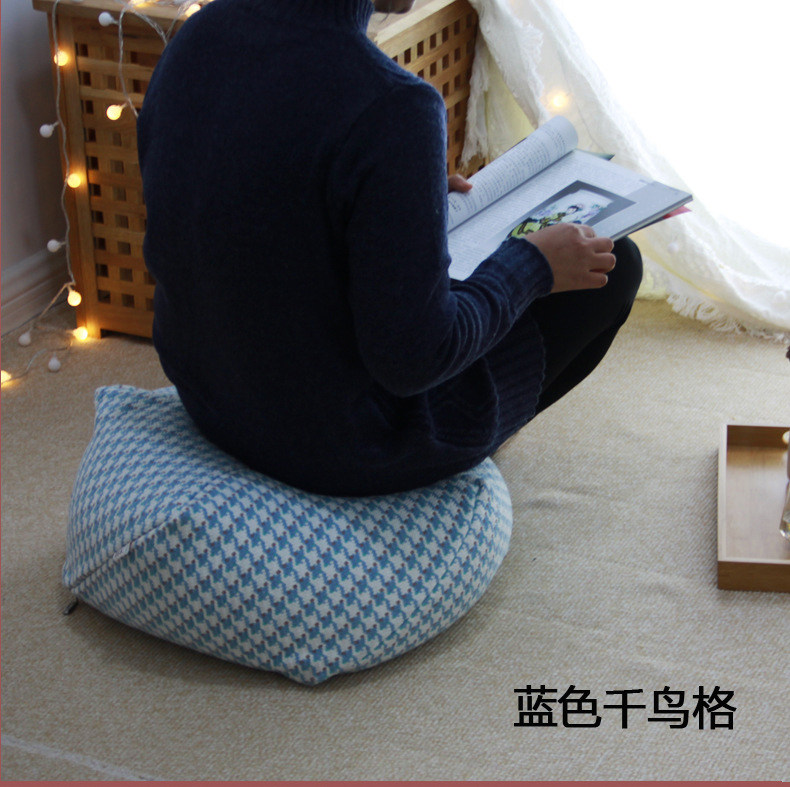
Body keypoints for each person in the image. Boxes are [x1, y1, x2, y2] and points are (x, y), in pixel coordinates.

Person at [137, 0, 642, 497]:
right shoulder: (392, 104)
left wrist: (394, 199)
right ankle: (450, 465)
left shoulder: (200, 34)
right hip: (336, 445)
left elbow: (242, 199)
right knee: (616, 265)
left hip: (210, 396)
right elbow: (416, 360)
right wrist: (532, 266)